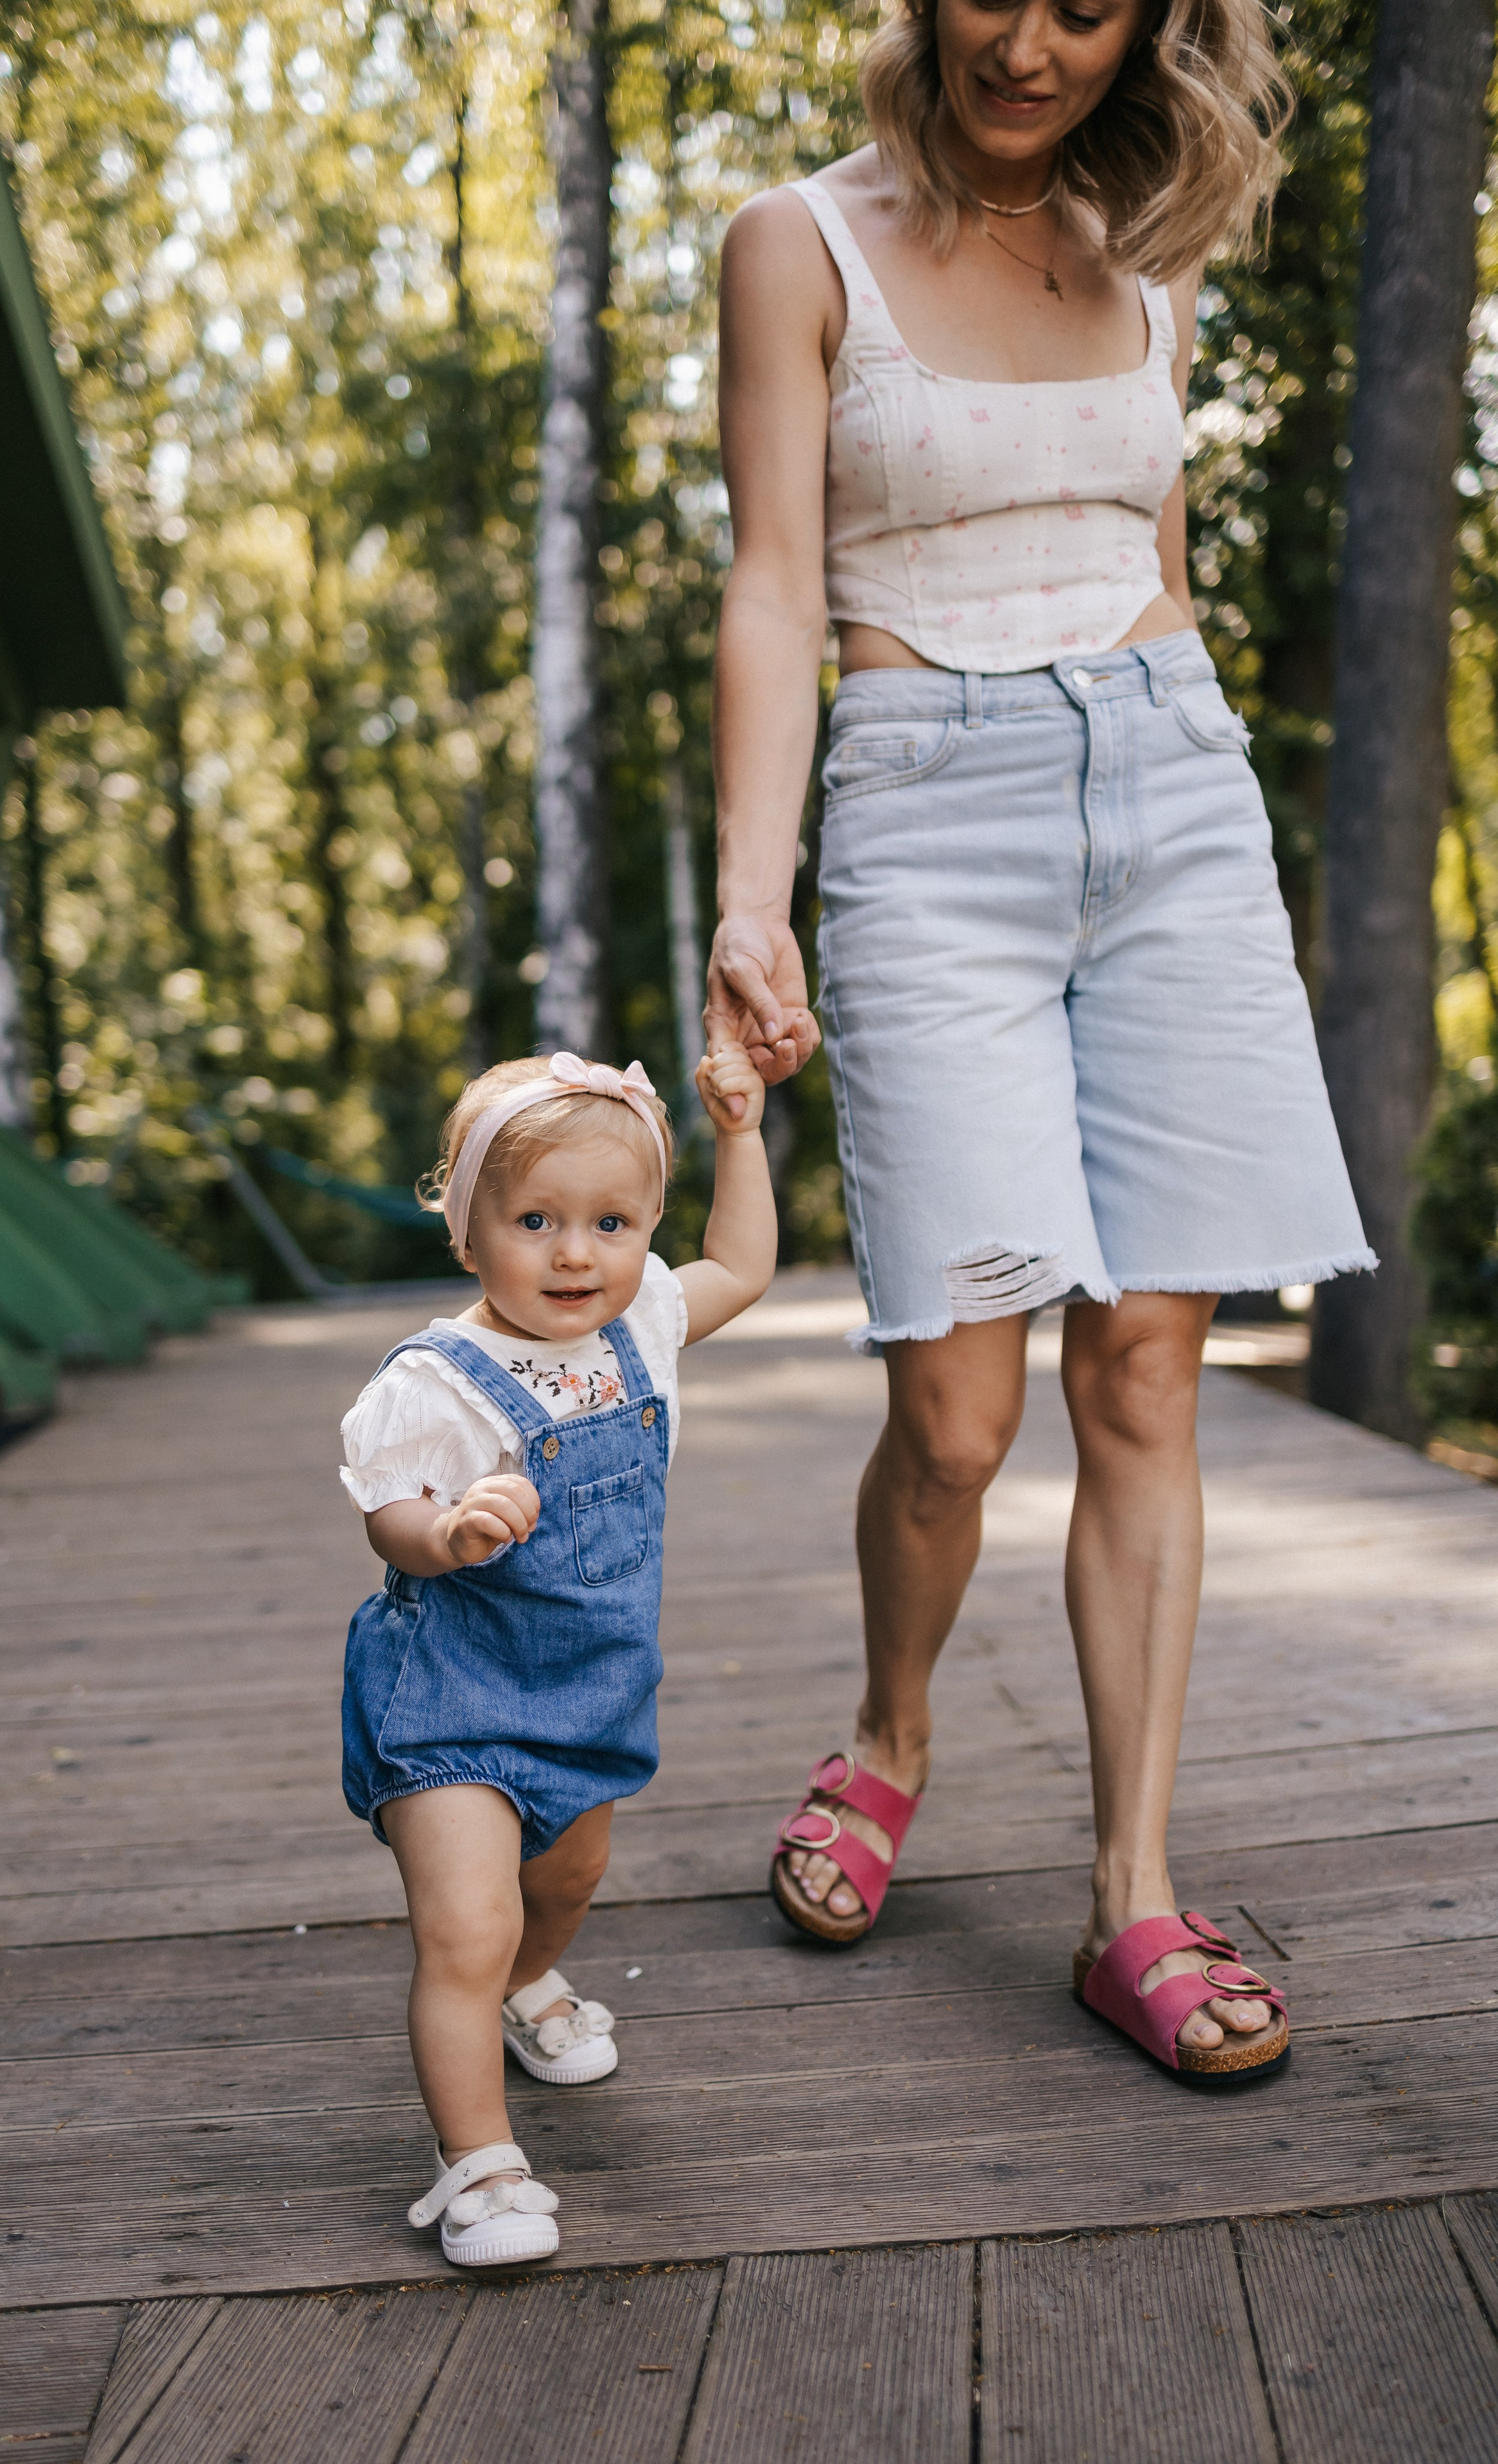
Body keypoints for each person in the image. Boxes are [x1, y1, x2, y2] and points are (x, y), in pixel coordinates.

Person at [706, 0, 1369, 2086]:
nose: (1034, 41)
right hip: (923, 801)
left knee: (1153, 1366)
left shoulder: (1147, 247)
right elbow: (770, 581)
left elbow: (1157, 554)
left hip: (1168, 793)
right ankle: (897, 1730)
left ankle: (1135, 1895)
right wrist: (754, 890)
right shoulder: (797, 244)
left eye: (1093, 6)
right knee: (964, 1418)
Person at [338, 1045, 776, 2264]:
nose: (577, 1252)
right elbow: (387, 1515)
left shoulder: (643, 1327)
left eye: (612, 1222)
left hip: (588, 1694)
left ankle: (533, 1990)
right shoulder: (437, 1378)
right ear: (468, 1230)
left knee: (565, 1885)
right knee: (464, 1931)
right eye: (535, 1220)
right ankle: (479, 2166)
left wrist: (740, 1132)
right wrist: (447, 1527)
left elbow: (741, 1262)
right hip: (452, 1698)